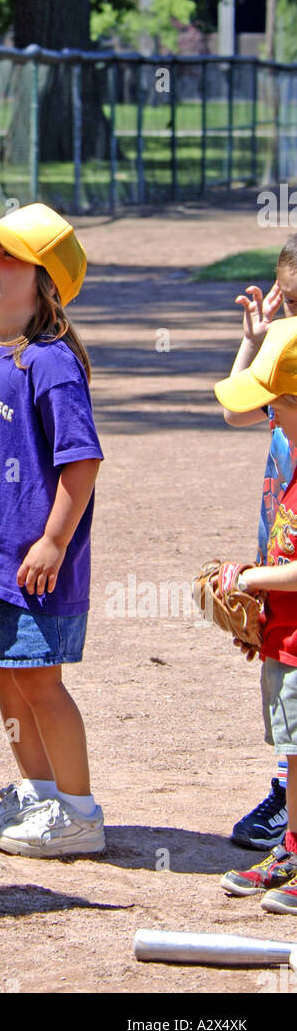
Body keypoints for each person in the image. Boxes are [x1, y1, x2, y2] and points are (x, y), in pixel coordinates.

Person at [0, 203, 105, 856]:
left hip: (35, 558)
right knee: (3, 673)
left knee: (40, 680)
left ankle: (79, 811)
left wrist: (54, 541)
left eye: (10, 255)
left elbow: (82, 460)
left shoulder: (51, 361)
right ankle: (38, 793)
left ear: (46, 283)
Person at [214, 318, 297, 913]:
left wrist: (248, 579)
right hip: (284, 638)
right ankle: (291, 847)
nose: (269, 418)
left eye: (275, 406)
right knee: (293, 756)